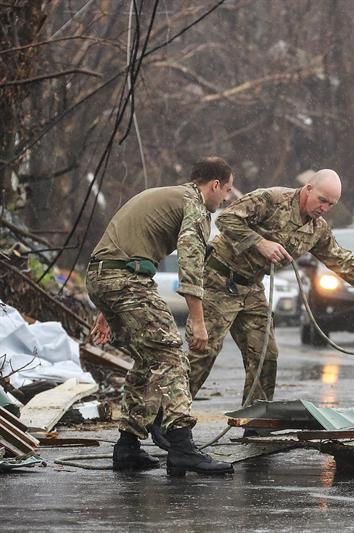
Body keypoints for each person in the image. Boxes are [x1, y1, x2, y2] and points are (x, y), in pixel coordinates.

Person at [187, 169, 354, 413]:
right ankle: (171, 419)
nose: (324, 208)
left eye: (331, 204)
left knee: (265, 355)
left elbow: (340, 258)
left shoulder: (317, 229)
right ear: (308, 189)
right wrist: (260, 243)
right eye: (322, 200)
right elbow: (226, 219)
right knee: (203, 352)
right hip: (220, 278)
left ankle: (255, 419)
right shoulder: (272, 200)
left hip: (251, 287)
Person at [87, 156, 235, 476]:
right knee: (170, 356)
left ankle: (127, 447)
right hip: (125, 281)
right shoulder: (193, 204)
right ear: (214, 185)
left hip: (103, 277)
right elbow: (191, 261)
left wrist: (104, 308)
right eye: (227, 191)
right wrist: (197, 320)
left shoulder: (166, 196)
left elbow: (121, 244)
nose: (226, 199)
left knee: (148, 360)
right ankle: (182, 445)